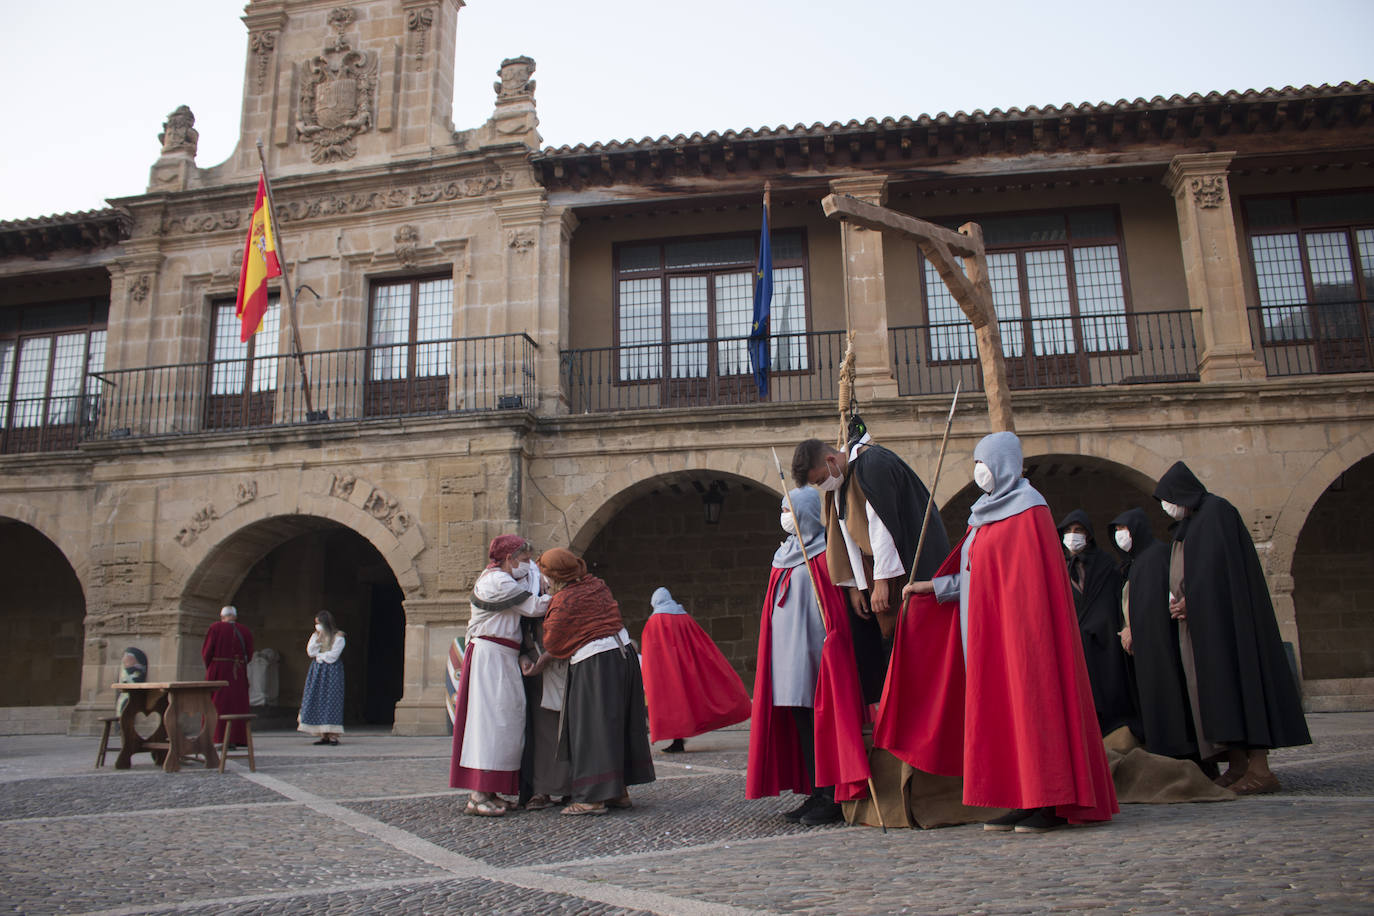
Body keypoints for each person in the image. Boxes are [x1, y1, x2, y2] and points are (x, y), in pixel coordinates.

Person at [884, 431, 1117, 833]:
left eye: (984, 461)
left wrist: (1021, 632)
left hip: (1025, 639)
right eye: (976, 461)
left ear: (1005, 463)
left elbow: (1029, 585)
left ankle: (1049, 800)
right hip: (988, 638)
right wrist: (934, 588)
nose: (979, 470)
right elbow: (978, 577)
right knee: (1003, 719)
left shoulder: (1031, 511)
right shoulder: (982, 515)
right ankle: (1021, 799)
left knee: (1032, 711)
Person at [1153, 461, 1311, 794]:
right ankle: (1237, 764)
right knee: (1219, 695)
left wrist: (1194, 599)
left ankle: (1259, 768)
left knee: (1243, 689)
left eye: (1168, 498)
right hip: (1205, 628)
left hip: (1229, 626)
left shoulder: (1217, 513)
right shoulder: (1196, 521)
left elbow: (1222, 572)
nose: (1167, 507)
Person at [791, 423, 950, 704]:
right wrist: (855, 587)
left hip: (899, 570)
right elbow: (846, 534)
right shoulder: (841, 482)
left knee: (909, 649)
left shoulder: (872, 464)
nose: (821, 486)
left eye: (819, 480)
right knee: (878, 650)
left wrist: (881, 583)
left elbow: (881, 527)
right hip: (873, 574)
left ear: (830, 460)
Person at [746, 487, 868, 827]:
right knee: (801, 724)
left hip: (815, 654)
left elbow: (835, 608)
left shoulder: (825, 553)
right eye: (783, 508)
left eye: (789, 509)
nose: (785, 515)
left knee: (821, 724)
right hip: (785, 657)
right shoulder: (783, 555)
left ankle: (832, 795)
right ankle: (816, 790)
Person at [533, 547, 655, 816]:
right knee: (617, 725)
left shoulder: (564, 601)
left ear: (556, 575)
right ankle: (619, 792)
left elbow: (553, 640)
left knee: (591, 730)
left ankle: (592, 799)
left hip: (596, 663)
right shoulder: (596, 585)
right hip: (623, 655)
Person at [450, 534, 550, 816]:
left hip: (504, 656)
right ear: (509, 559)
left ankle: (491, 791)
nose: (528, 565)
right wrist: (564, 597)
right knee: (489, 723)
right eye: (525, 560)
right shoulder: (495, 581)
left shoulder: (509, 579)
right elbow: (533, 606)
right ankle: (478, 793)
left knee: (505, 723)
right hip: (489, 656)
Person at [1109, 507, 1200, 762]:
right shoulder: (1136, 563)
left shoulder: (1157, 556)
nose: (1120, 535)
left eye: (1123, 530)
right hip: (1145, 646)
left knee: (1171, 697)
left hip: (1162, 643)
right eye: (1116, 531)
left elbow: (1158, 601)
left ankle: (1180, 752)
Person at [1057, 509, 1138, 741]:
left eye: (1078, 531)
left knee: (1110, 688)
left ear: (1089, 535)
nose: (1073, 536)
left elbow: (1116, 598)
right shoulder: (1059, 565)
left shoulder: (1105, 564)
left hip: (1105, 640)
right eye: (1069, 532)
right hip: (1074, 643)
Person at [639, 586, 751, 754]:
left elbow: (651, 652)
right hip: (686, 669)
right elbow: (698, 641)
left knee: (674, 704)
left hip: (668, 672)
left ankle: (678, 739)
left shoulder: (653, 623)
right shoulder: (684, 617)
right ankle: (679, 739)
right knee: (689, 701)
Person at [513, 540, 570, 811]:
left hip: (560, 669)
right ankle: (540, 789)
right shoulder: (527, 597)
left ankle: (568, 786)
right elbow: (521, 638)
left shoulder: (566, 599)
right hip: (535, 674)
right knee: (539, 732)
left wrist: (546, 659)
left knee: (563, 730)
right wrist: (526, 658)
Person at [202, 605, 253, 749]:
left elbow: (207, 651)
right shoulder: (245, 630)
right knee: (238, 703)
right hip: (239, 671)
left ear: (222, 616)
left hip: (219, 670)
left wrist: (211, 668)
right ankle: (238, 737)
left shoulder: (216, 628)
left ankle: (217, 736)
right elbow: (249, 654)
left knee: (218, 703)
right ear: (235, 616)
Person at [298, 610, 346, 745]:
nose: (317, 626)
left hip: (332, 671)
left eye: (318, 623)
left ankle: (333, 735)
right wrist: (318, 642)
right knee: (316, 698)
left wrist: (320, 656)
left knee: (331, 699)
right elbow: (310, 652)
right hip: (317, 670)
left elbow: (333, 656)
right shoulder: (316, 636)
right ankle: (323, 734)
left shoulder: (338, 636)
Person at [115, 647, 148, 718]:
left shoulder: (136, 671)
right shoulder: (125, 671)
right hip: (123, 696)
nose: (124, 661)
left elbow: (136, 680)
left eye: (128, 658)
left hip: (130, 696)